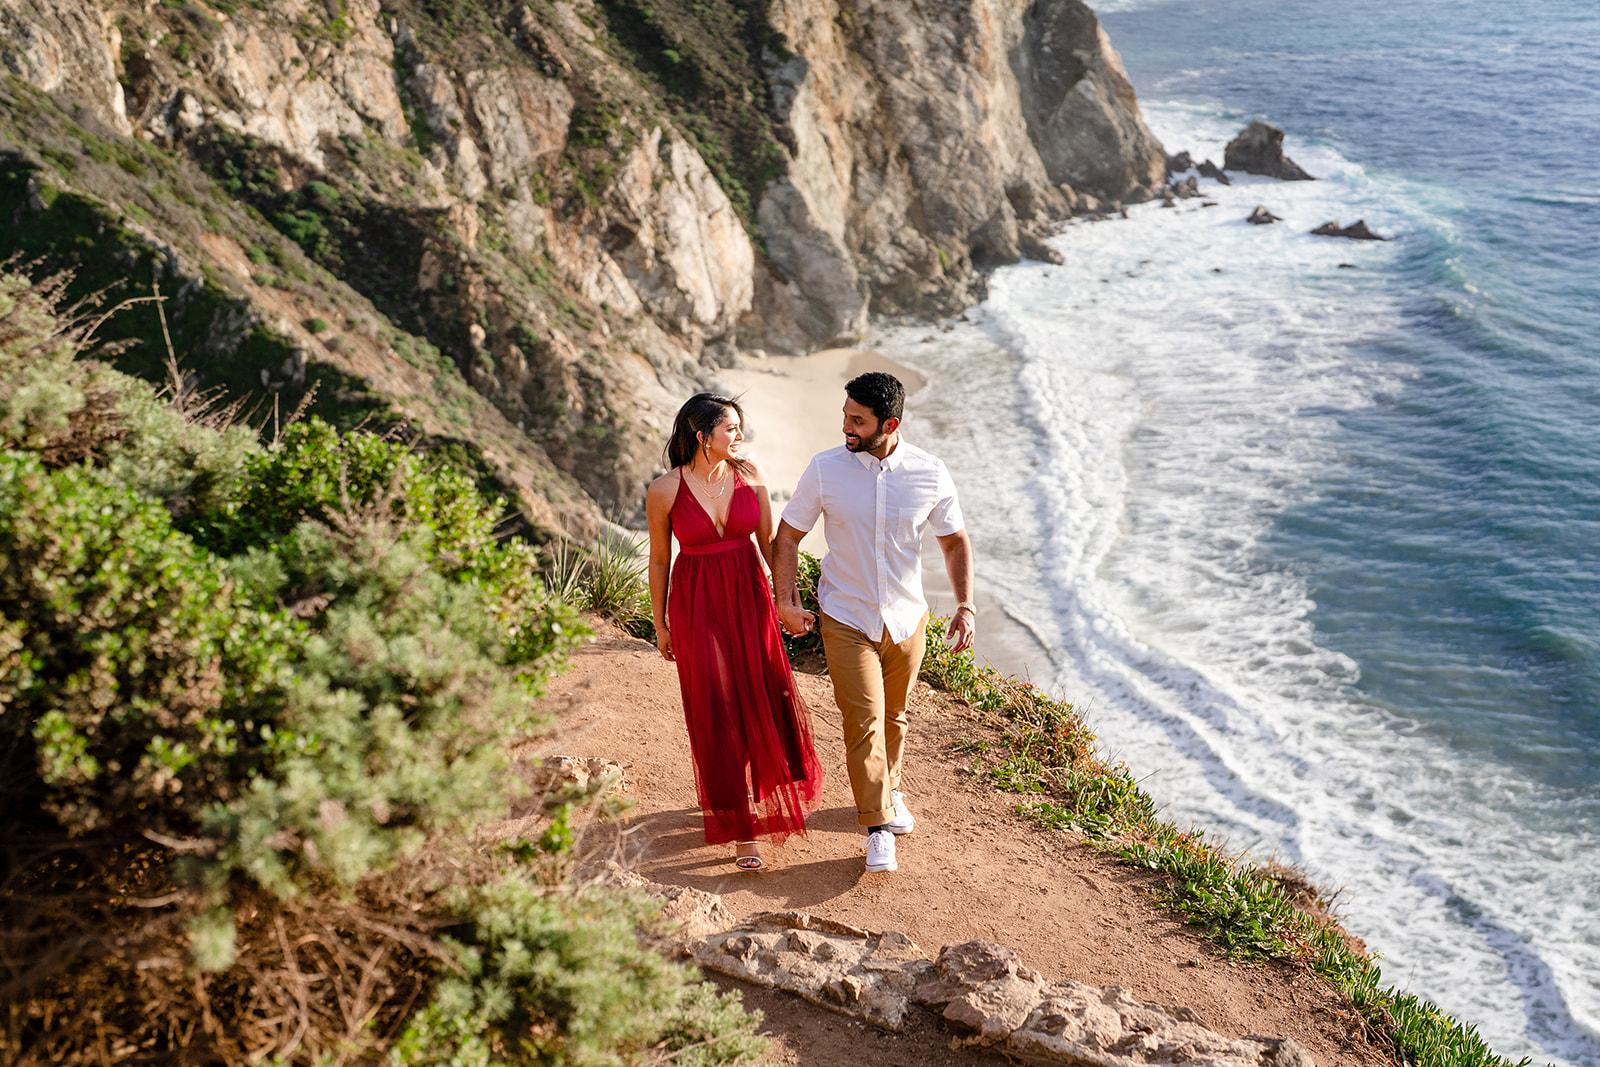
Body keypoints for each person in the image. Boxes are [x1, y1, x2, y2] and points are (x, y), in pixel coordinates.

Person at [772, 371, 974, 874]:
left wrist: (965, 606)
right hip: (845, 615)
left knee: (895, 718)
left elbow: (953, 541)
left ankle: (890, 790)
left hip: (908, 618)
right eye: (845, 416)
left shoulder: (930, 472)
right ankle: (878, 827)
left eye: (857, 421)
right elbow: (788, 536)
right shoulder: (825, 470)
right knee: (863, 722)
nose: (846, 426)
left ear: (891, 423)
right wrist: (786, 599)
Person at [645, 393, 824, 871]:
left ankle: (760, 788)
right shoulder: (664, 491)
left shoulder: (751, 475)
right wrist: (660, 622)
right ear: (702, 435)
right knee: (719, 705)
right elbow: (660, 558)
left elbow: (768, 543)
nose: (739, 437)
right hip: (698, 602)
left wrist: (788, 602)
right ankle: (741, 825)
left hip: (749, 595)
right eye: (731, 429)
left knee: (764, 693)